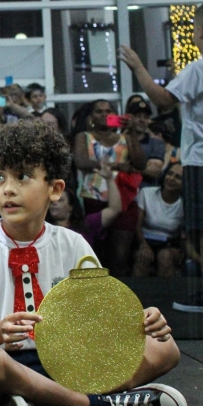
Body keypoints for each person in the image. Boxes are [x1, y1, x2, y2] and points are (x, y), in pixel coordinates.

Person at [0, 120, 185, 406]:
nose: (8, 188)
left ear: (54, 189)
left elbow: (102, 324)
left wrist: (141, 322)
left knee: (165, 347)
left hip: (67, 366)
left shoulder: (72, 244)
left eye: (23, 176)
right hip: (4, 366)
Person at [119, 3, 203, 313]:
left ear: (199, 32)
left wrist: (138, 68)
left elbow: (163, 100)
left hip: (202, 159)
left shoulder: (202, 67)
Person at [73, 99, 146, 276]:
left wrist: (132, 132)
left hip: (123, 201)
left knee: (120, 258)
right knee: (94, 256)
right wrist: (119, 166)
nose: (104, 114)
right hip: (93, 200)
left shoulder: (125, 137)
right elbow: (81, 161)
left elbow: (141, 163)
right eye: (99, 111)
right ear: (91, 117)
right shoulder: (84, 136)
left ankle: (121, 300)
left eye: (108, 111)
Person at [47, 162, 122, 247]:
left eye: (60, 201)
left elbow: (114, 209)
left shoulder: (87, 224)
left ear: (71, 207)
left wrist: (109, 179)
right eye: (52, 201)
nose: (54, 204)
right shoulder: (43, 229)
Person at [133, 162, 184, 277]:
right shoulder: (146, 193)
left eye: (178, 177)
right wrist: (143, 245)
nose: (171, 179)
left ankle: (167, 295)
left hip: (170, 245)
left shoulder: (184, 204)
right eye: (170, 174)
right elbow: (137, 225)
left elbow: (183, 236)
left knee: (165, 256)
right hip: (144, 241)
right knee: (143, 257)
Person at [125, 97, 166, 187]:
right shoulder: (120, 140)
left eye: (146, 117)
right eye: (138, 116)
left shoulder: (156, 143)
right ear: (129, 117)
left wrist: (129, 168)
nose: (142, 120)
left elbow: (154, 172)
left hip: (146, 192)